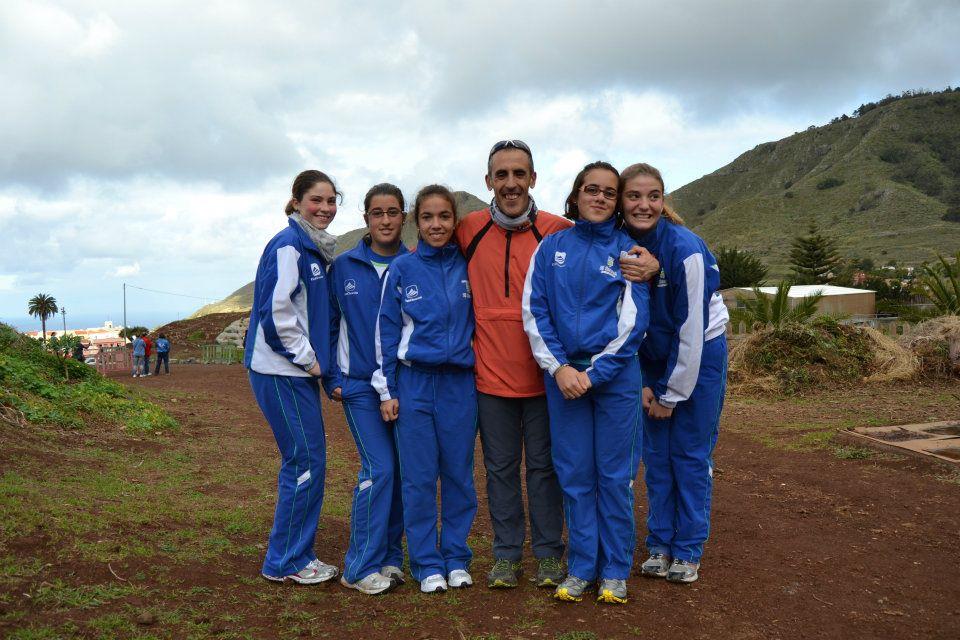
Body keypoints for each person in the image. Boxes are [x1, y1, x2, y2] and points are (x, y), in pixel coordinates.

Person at [522, 161, 650, 604]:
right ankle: (581, 567)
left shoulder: (630, 252)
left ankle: (614, 570)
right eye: (591, 189)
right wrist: (559, 368)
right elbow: (534, 311)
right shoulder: (551, 247)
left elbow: (634, 324)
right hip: (564, 380)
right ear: (576, 195)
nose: (599, 198)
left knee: (614, 477)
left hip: (614, 379)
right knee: (575, 476)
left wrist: (594, 375)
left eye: (609, 192)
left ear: (617, 202)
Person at [453, 140, 569, 589]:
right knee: (499, 471)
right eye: (501, 175)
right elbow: (426, 257)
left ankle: (549, 555)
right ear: (488, 181)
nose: (511, 183)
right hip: (489, 380)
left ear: (533, 178)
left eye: (519, 173)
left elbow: (601, 253)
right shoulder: (469, 229)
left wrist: (648, 262)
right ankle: (505, 556)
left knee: (544, 469)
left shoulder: (558, 230)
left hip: (545, 378)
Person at [618, 162, 729, 585]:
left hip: (699, 355)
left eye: (653, 196)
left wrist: (669, 393)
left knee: (690, 453)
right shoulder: (620, 244)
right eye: (634, 196)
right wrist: (645, 381)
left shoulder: (686, 249)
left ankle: (688, 548)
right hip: (650, 356)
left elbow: (691, 328)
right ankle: (660, 544)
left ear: (663, 201)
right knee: (657, 456)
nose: (644, 205)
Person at [372, 185, 477, 594]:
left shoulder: (469, 265)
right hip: (414, 383)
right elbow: (386, 331)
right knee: (418, 478)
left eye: (444, 217)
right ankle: (426, 563)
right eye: (428, 217)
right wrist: (387, 391)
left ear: (455, 221)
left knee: (458, 475)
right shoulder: (402, 269)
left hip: (459, 385)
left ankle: (456, 558)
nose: (436, 225)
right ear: (417, 222)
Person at [244, 169, 341, 585]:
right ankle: (287, 561)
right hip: (281, 370)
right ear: (297, 201)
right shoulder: (289, 246)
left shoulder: (312, 248)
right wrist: (310, 361)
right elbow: (276, 314)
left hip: (291, 371)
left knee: (306, 459)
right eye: (316, 200)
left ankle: (291, 555)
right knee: (304, 460)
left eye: (331, 201)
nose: (325, 208)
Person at [326, 184, 409, 596]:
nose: (386, 220)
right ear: (366, 218)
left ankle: (390, 557)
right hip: (359, 386)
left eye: (393, 212)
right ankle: (359, 566)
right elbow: (328, 323)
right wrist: (332, 378)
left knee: (402, 470)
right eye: (378, 213)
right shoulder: (344, 266)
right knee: (379, 469)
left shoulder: (413, 264)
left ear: (403, 217)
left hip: (402, 387)